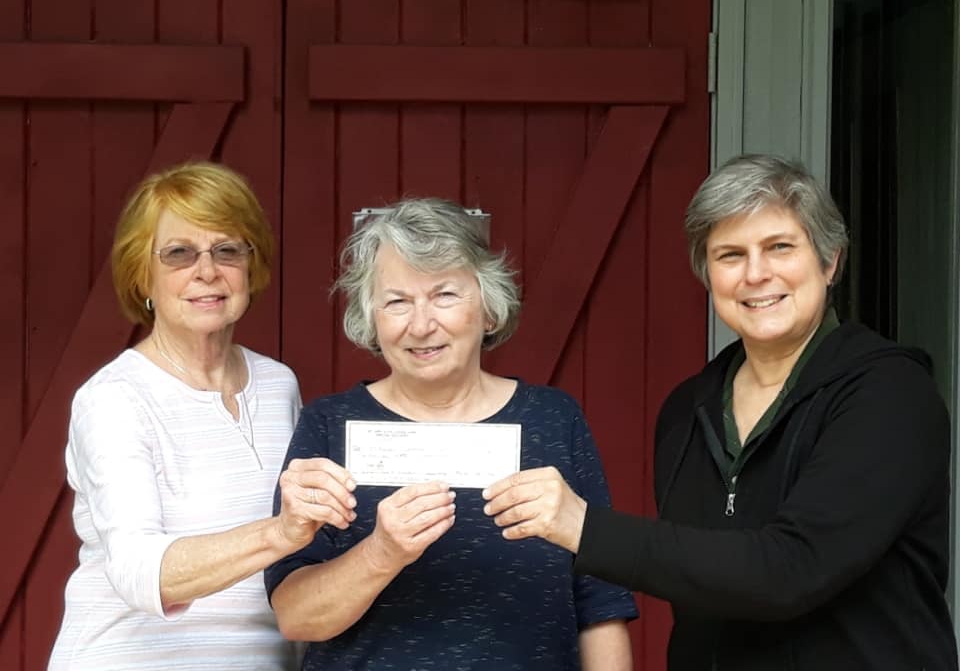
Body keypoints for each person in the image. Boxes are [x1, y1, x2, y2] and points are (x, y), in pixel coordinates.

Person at [482, 154, 959, 670]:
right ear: (707, 273)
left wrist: (587, 529)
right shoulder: (689, 409)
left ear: (829, 261)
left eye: (780, 247)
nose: (757, 274)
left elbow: (791, 571)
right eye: (730, 255)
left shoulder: (888, 394)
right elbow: (698, 592)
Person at [264, 198, 637, 670]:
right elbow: (297, 618)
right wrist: (382, 552)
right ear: (371, 318)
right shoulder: (330, 426)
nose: (421, 325)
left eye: (444, 295)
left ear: (487, 308)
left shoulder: (552, 420)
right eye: (397, 301)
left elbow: (601, 604)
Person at [49, 161, 356, 670]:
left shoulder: (278, 385)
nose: (207, 271)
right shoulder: (114, 398)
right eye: (178, 254)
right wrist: (279, 532)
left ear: (250, 267)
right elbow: (139, 571)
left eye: (227, 250)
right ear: (140, 273)